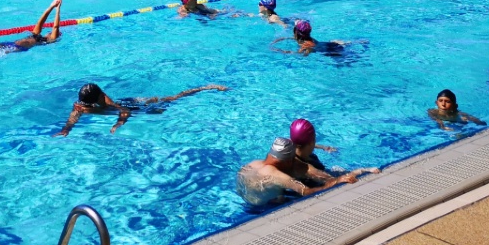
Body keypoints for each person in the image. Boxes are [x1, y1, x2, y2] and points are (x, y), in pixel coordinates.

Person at [235, 119, 379, 206]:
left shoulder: (252, 165)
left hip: (249, 202)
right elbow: (306, 192)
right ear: (286, 160)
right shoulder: (278, 175)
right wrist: (339, 180)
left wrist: (322, 147)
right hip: (266, 209)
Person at [56, 82, 227, 136]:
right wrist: (66, 129)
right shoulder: (84, 104)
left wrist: (119, 124)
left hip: (134, 106)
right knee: (165, 101)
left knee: (173, 99)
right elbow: (75, 114)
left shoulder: (106, 102)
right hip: (129, 102)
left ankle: (206, 87)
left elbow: (125, 111)